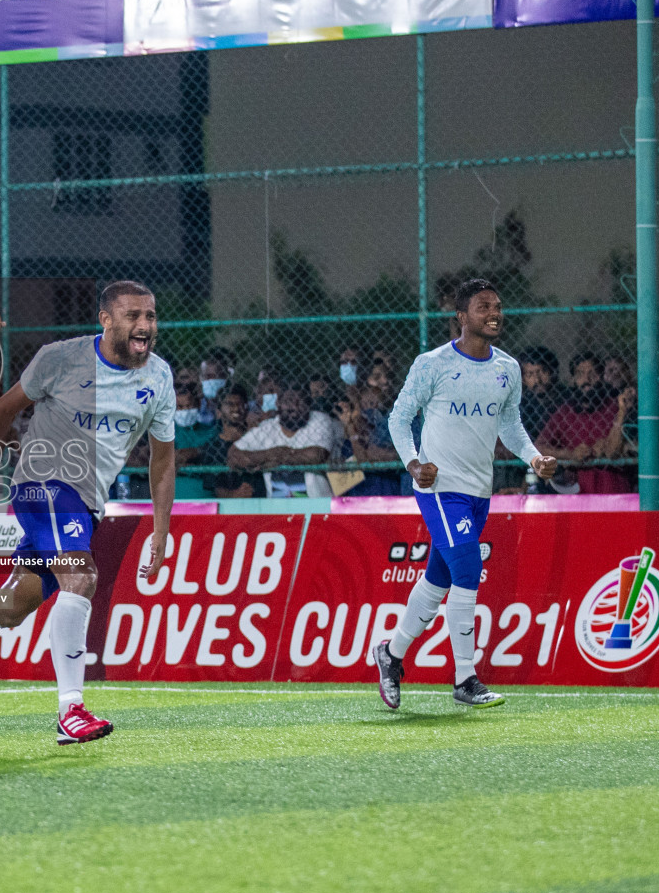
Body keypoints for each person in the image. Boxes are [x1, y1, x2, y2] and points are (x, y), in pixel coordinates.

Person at [0, 280, 176, 746]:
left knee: (11, 608)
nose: (145, 326)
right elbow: (2, 410)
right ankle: (72, 710)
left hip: (86, 500)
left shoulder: (159, 377)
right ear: (105, 320)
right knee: (81, 578)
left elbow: (163, 459)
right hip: (42, 484)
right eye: (133, 316)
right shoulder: (61, 358)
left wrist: (161, 532)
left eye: (151, 316)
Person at [377, 278, 556, 711]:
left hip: (479, 490)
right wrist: (414, 464)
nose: (494, 313)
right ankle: (464, 677)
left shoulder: (507, 368)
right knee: (468, 566)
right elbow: (399, 419)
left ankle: (391, 654)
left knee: (439, 578)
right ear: (461, 317)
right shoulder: (431, 364)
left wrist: (533, 458)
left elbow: (509, 425)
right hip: (439, 487)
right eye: (483, 307)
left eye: (498, 306)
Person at [537, 352, 627, 494]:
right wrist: (571, 455)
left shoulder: (616, 407)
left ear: (602, 377)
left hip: (613, 490)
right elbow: (538, 447)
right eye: (580, 374)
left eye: (593, 373)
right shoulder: (564, 413)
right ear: (573, 380)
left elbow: (613, 451)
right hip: (576, 493)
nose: (587, 380)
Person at [227, 386, 341, 498]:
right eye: (289, 401)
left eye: (300, 402)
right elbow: (234, 455)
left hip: (318, 507)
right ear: (278, 403)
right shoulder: (267, 427)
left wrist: (268, 461)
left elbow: (317, 455)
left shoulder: (319, 419)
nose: (294, 407)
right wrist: (273, 454)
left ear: (309, 405)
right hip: (277, 510)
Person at [200, 384, 265, 499]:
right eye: (230, 404)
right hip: (229, 505)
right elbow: (214, 485)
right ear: (219, 411)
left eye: (241, 404)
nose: (236, 408)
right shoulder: (213, 446)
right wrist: (234, 494)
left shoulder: (257, 438)